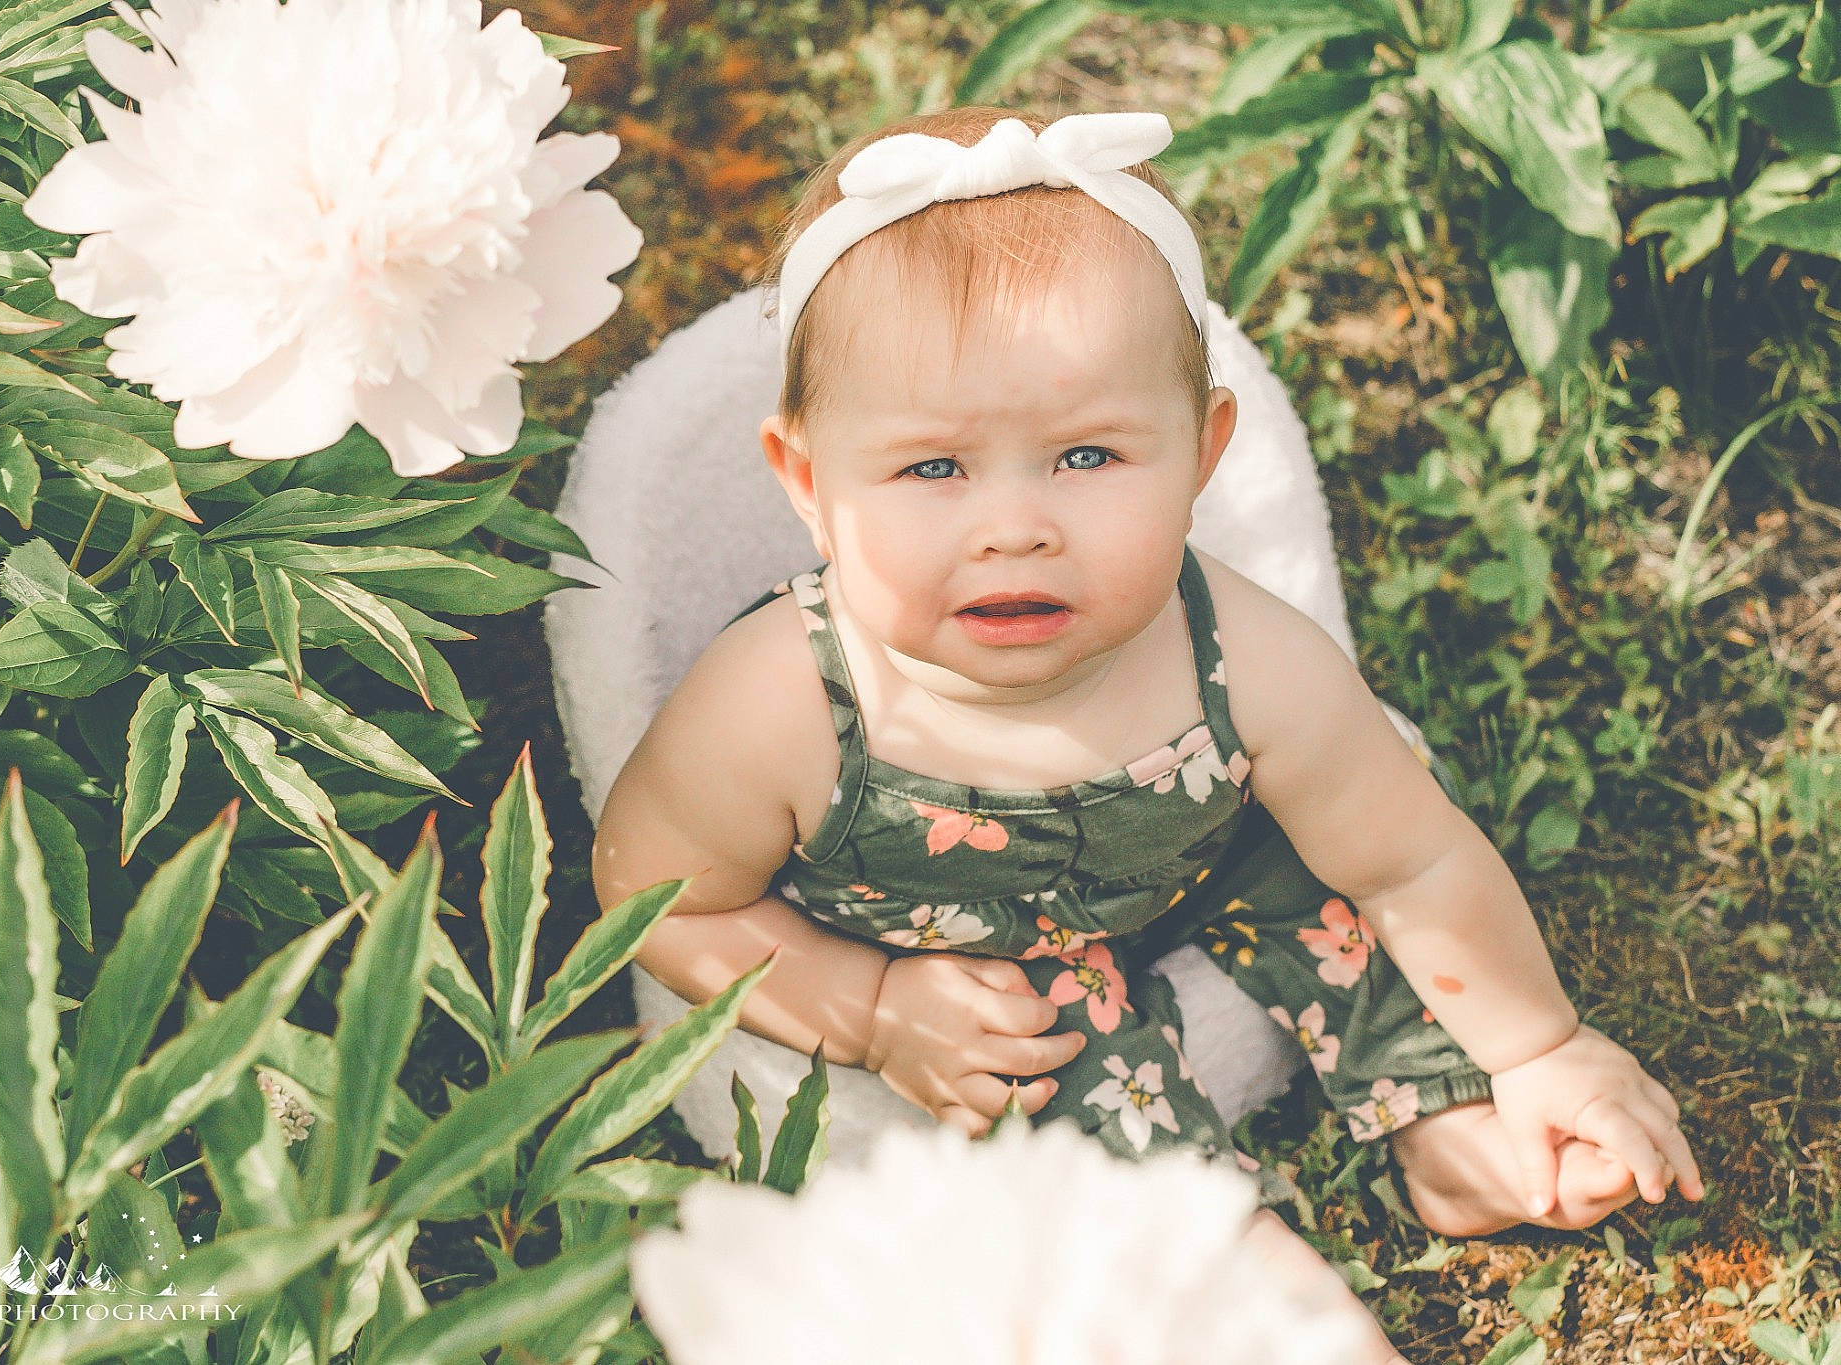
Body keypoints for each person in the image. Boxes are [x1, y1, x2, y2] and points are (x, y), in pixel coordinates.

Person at [591, 105, 1702, 1359]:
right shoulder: (779, 704)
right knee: (1050, 1074)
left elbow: (1410, 861)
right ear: (807, 486)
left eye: (1084, 455)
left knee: (1356, 849)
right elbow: (660, 902)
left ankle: (1446, 1118)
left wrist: (1538, 1046)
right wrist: (870, 1008)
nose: (1013, 526)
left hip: (1193, 849)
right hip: (958, 948)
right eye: (932, 471)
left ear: (1199, 454)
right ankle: (1248, 1294)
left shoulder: (1243, 655)